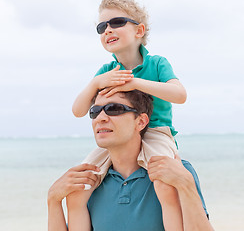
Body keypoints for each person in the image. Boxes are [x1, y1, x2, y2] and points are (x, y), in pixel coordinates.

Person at [71, 0, 187, 229]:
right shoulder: (106, 70)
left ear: (139, 30)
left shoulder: (157, 64)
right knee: (80, 185)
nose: (107, 30)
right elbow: (78, 110)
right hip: (119, 136)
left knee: (165, 183)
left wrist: (136, 83)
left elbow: (180, 94)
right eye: (101, 27)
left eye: (116, 23)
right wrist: (95, 84)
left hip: (156, 132)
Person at [47, 90, 213, 231]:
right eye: (95, 111)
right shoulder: (89, 182)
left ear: (141, 121)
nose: (101, 118)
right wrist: (53, 200)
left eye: (114, 109)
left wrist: (186, 185)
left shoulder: (175, 172)